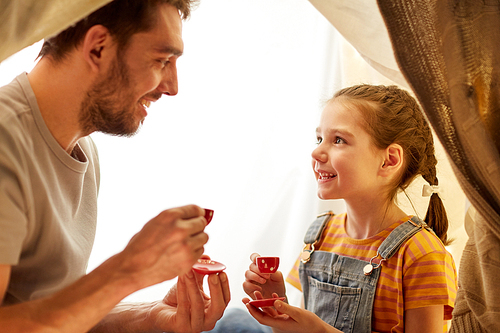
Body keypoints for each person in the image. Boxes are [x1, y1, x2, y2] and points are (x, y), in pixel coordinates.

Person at [0, 0, 230, 332]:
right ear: (98, 48)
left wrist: (149, 315)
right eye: (161, 60)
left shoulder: (83, 151)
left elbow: (55, 315)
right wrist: (127, 270)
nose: (172, 87)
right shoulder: (5, 143)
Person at [227, 84, 457, 333]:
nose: (316, 152)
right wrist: (279, 307)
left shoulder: (422, 255)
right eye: (319, 138)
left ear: (389, 160)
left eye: (338, 140)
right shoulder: (320, 234)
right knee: (231, 321)